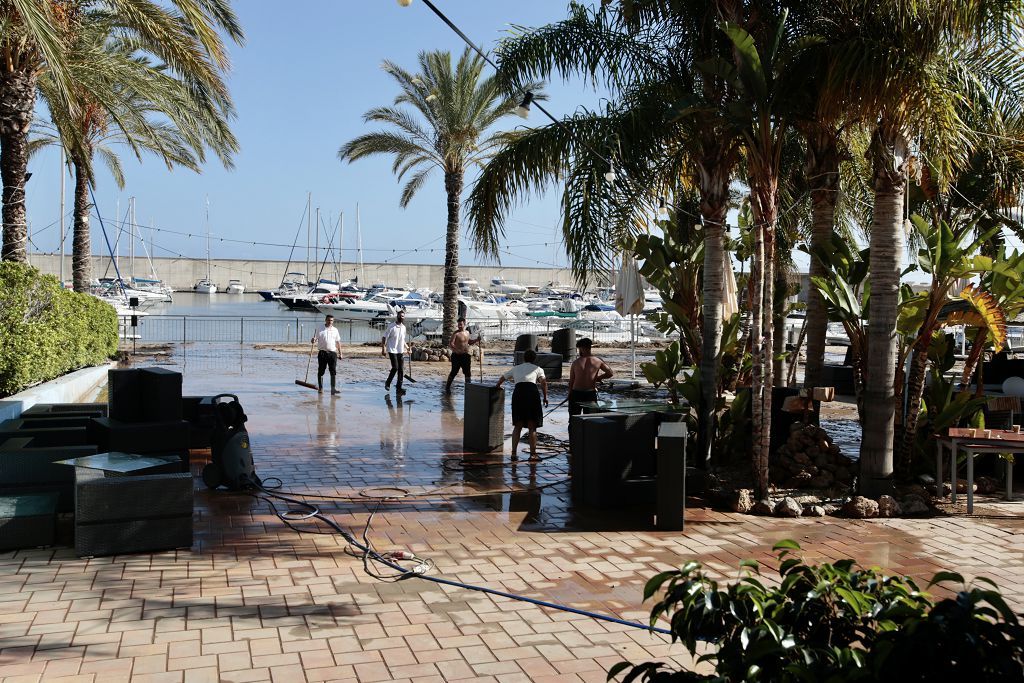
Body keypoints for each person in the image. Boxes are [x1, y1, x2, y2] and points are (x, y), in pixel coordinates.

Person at [496, 349, 548, 461]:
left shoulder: (516, 368)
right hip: (531, 394)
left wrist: (498, 386)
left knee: (518, 426)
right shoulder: (538, 369)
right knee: (532, 426)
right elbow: (543, 382)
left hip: (518, 394)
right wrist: (545, 397)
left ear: (524, 358)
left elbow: (502, 378)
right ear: (534, 359)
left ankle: (513, 454)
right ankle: (533, 454)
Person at [567, 337, 613, 415]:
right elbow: (610, 373)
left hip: (576, 393)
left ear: (581, 348)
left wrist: (569, 394)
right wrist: (599, 378)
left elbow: (571, 381)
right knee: (589, 419)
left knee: (573, 419)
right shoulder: (598, 361)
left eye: (579, 349)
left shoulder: (576, 362)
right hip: (590, 394)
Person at [311, 314, 343, 395]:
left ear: (333, 321)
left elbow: (338, 342)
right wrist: (313, 340)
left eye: (331, 320)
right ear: (325, 320)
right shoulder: (320, 328)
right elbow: (315, 339)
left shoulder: (335, 330)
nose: (330, 322)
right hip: (322, 353)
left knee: (333, 371)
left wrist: (340, 353)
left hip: (332, 353)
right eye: (328, 320)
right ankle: (321, 388)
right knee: (321, 370)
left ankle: (333, 389)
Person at [445, 317, 479, 393]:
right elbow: (451, 343)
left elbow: (469, 342)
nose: (459, 326)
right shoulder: (456, 333)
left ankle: (468, 387)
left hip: (465, 355)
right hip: (456, 356)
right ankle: (447, 387)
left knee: (467, 372)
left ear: (464, 324)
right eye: (458, 324)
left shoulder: (467, 332)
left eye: (461, 324)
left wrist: (477, 340)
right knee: (454, 371)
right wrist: (456, 349)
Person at [382, 311, 409, 395]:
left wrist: (408, 348)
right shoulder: (391, 326)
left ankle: (399, 388)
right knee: (395, 367)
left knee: (401, 369)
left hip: (400, 350)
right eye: (400, 316)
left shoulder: (404, 327)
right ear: (397, 316)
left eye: (403, 316)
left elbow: (403, 340)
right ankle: (388, 382)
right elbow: (384, 337)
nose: (402, 317)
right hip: (392, 350)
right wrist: (383, 348)